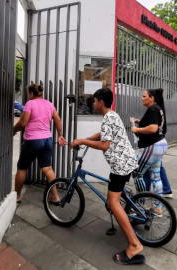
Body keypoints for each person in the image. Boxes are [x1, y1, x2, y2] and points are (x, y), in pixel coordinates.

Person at [70, 88, 145, 265]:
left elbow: (104, 145)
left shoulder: (107, 118)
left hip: (120, 165)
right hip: (125, 162)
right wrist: (86, 138)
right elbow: (104, 135)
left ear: (100, 102)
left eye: (94, 101)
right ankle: (130, 209)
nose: (93, 103)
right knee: (115, 198)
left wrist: (82, 141)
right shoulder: (112, 115)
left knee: (112, 202)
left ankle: (134, 245)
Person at [13, 83, 66, 204]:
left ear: (31, 93)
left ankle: (16, 197)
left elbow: (22, 122)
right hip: (47, 140)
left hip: (33, 140)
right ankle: (55, 196)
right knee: (48, 169)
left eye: (29, 94)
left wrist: (13, 131)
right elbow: (57, 119)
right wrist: (60, 135)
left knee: (21, 168)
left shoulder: (30, 104)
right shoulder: (49, 104)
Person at [131, 88, 168, 212]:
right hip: (161, 145)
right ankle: (158, 207)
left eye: (144, 96)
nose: (142, 98)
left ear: (151, 98)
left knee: (136, 173)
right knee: (156, 176)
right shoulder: (158, 108)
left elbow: (152, 128)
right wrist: (139, 121)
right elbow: (154, 124)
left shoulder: (152, 109)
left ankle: (139, 206)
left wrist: (137, 129)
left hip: (152, 146)